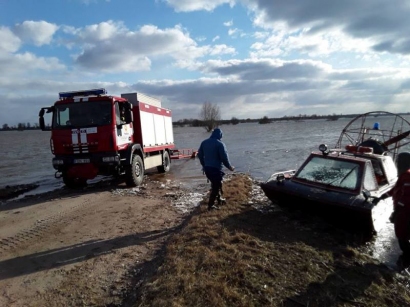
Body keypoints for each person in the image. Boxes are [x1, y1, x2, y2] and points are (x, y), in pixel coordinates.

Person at [198, 128, 235, 211]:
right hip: (216, 169)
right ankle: (210, 206)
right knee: (216, 186)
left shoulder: (204, 142)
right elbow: (224, 158)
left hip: (207, 169)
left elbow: (200, 155)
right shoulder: (220, 144)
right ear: (220, 135)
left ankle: (219, 199)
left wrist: (204, 164)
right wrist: (230, 167)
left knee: (217, 184)